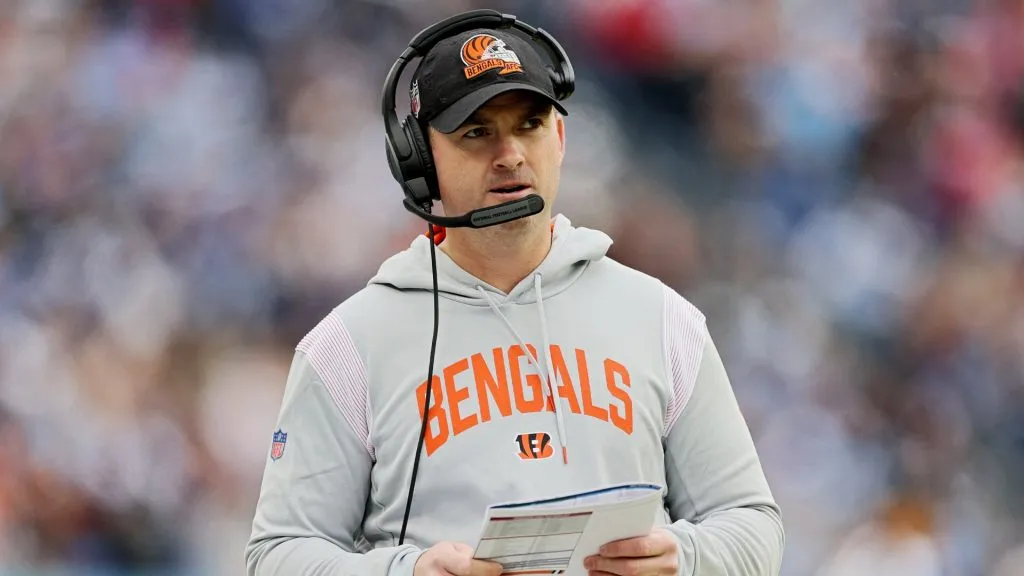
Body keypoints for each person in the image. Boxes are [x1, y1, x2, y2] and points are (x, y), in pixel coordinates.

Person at [245, 12, 785, 576]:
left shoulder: (664, 320)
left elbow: (754, 528)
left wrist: (687, 556)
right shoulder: (346, 347)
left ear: (559, 137)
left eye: (528, 125)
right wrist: (405, 572)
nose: (510, 154)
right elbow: (278, 555)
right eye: (476, 132)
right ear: (418, 161)